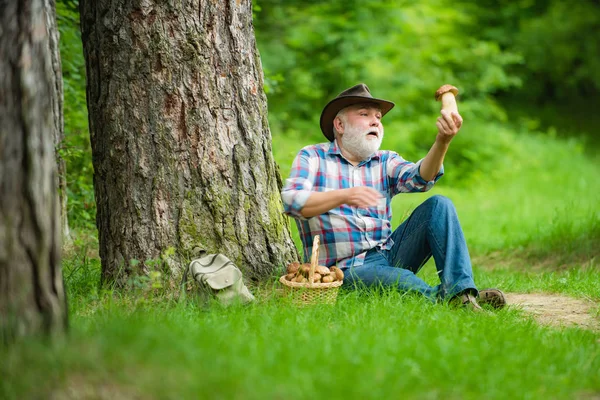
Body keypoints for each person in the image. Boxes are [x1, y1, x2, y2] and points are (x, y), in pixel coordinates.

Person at [280, 83, 505, 310]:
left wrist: (442, 142)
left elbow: (420, 178)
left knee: (440, 205)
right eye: (364, 114)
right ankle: (452, 300)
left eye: (378, 116)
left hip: (390, 253)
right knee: (402, 281)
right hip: (346, 269)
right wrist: (343, 196)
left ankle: (462, 291)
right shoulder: (313, 157)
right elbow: (292, 202)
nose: (375, 121)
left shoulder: (385, 160)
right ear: (339, 125)